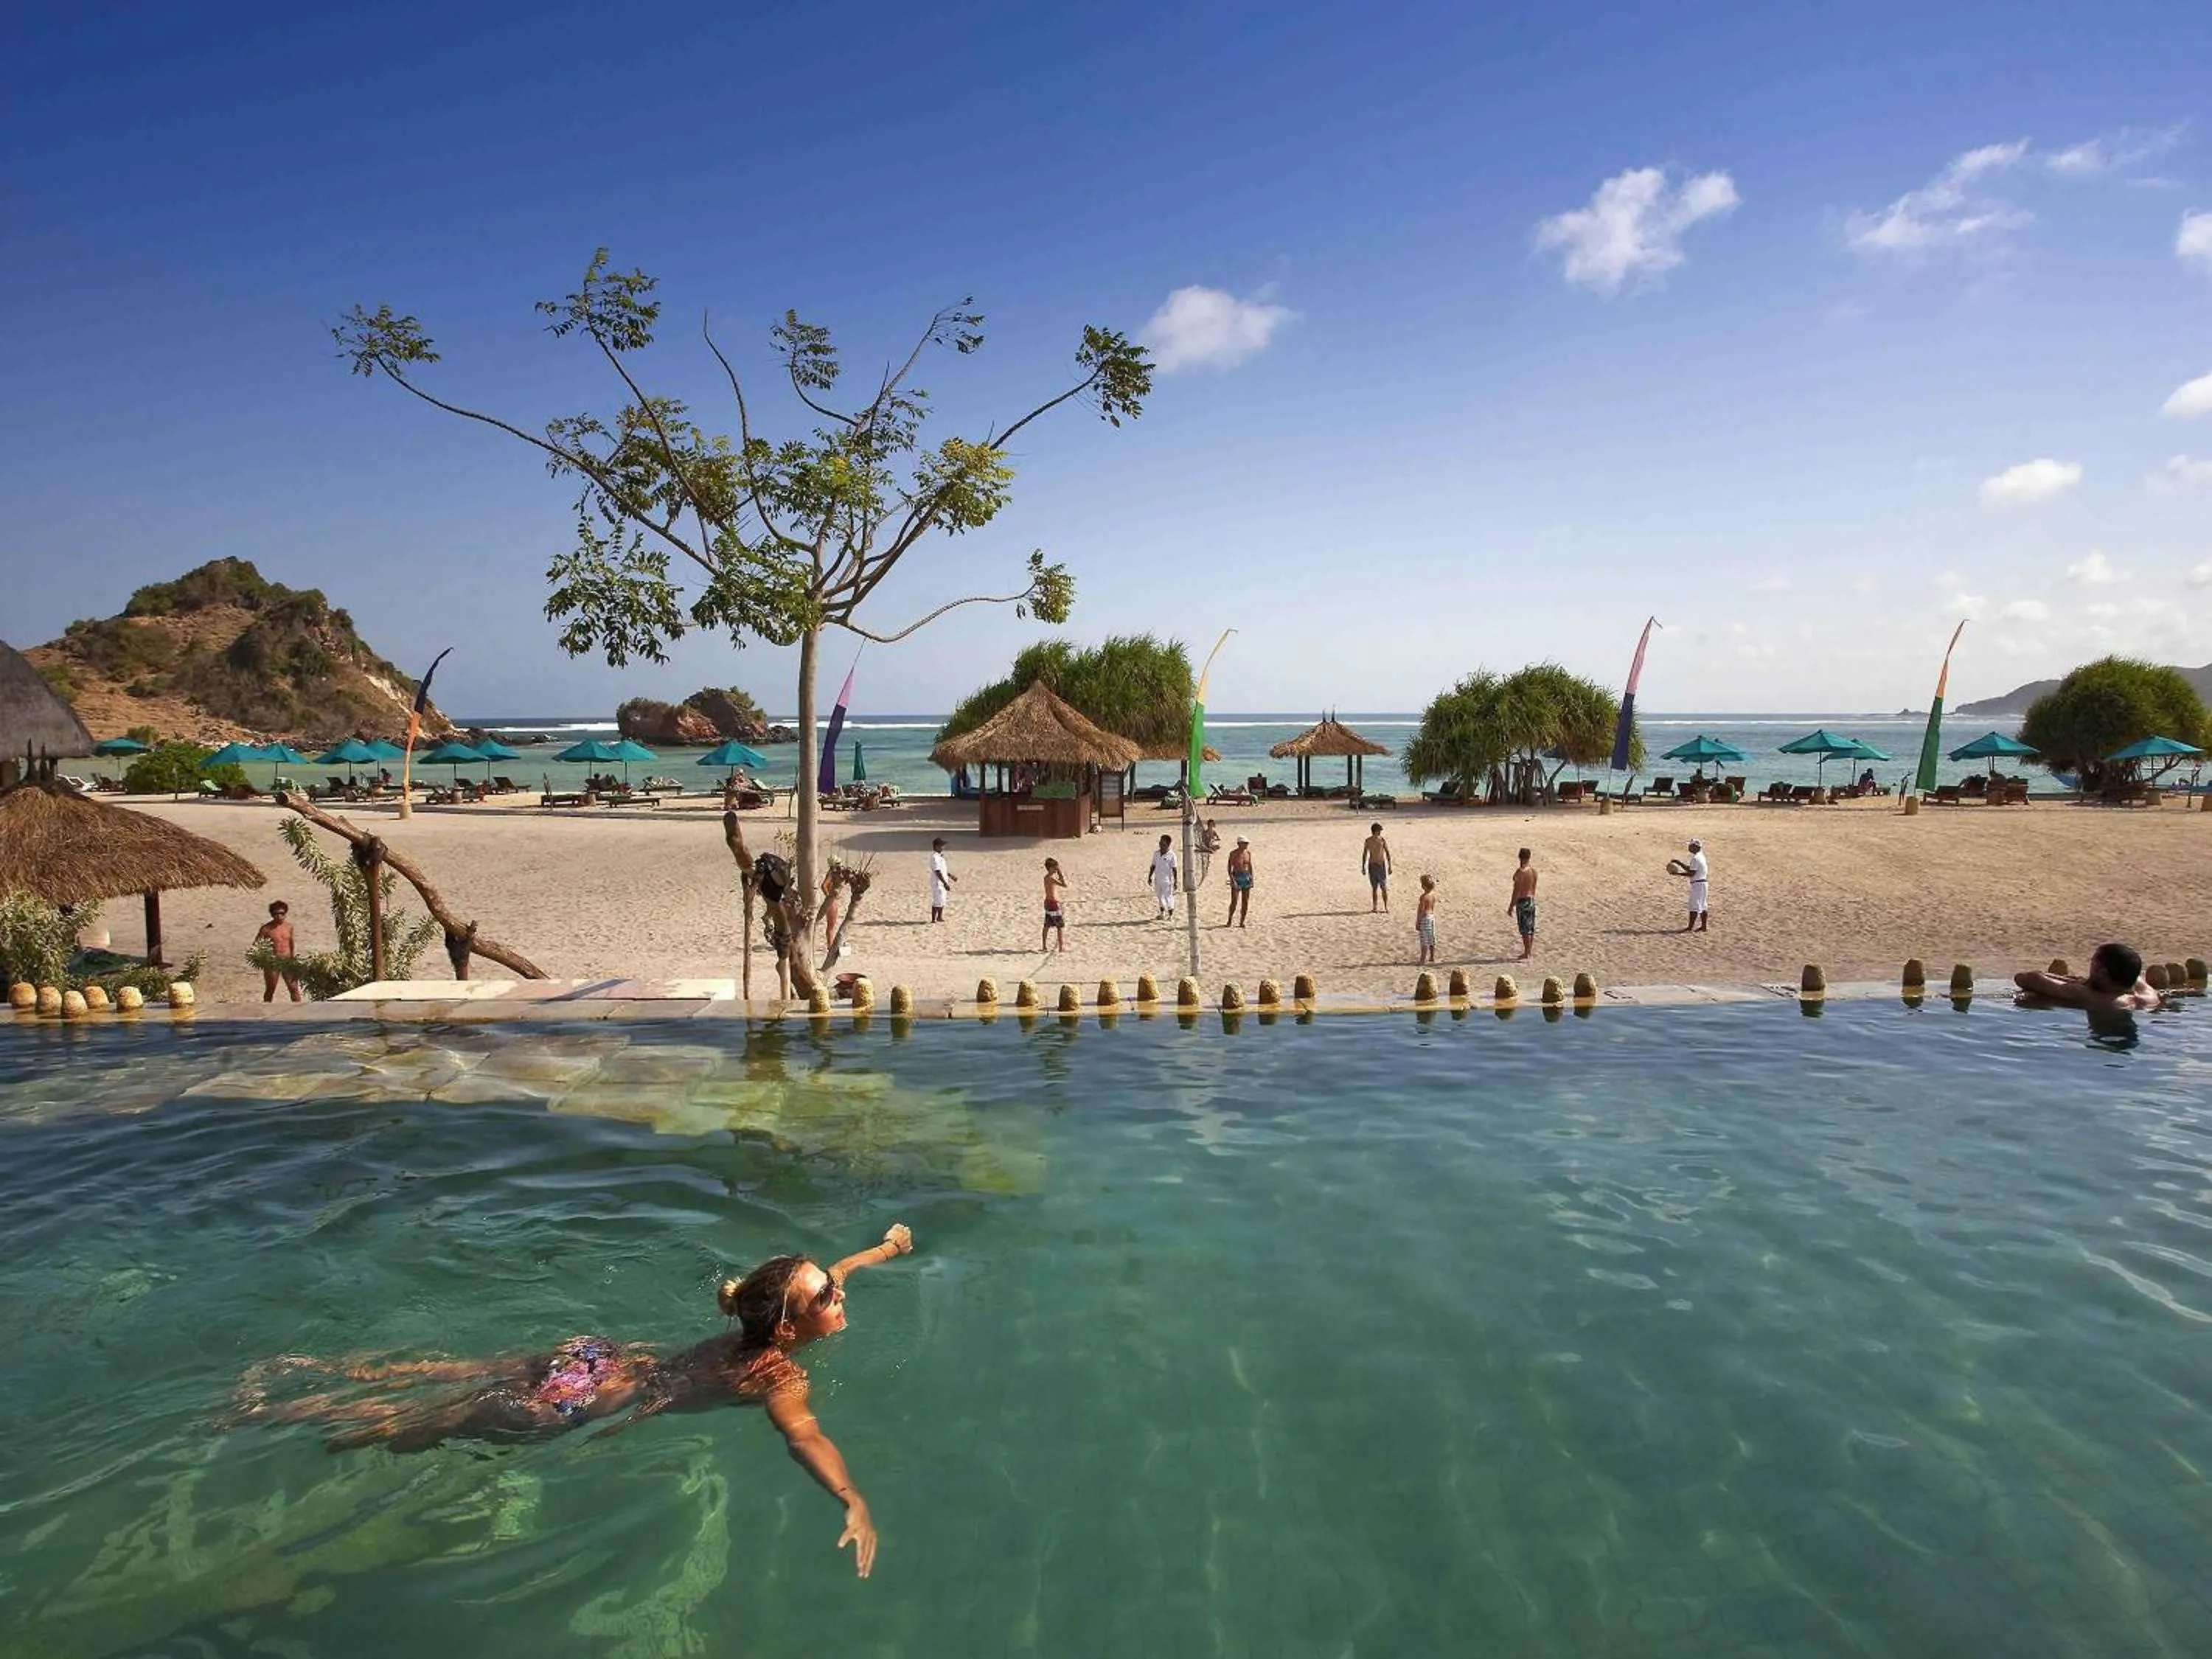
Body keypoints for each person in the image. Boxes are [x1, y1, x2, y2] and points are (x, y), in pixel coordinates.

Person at [233, 1225, 916, 1577]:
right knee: (416, 1426)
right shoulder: (777, 1373)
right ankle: (279, 1413)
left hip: (599, 1356)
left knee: (451, 1372)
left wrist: (885, 1248)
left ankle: (318, 1371)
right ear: (790, 1328)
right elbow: (804, 1438)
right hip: (581, 1402)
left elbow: (841, 1269)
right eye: (827, 1294)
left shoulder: (771, 1316)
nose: (839, 1290)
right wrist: (852, 1497)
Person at [2013, 943, 2163, 1012]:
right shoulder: (2149, 996)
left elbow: (2026, 979)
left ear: (2102, 972)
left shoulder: (2089, 996)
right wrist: (2087, 982)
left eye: (2092, 963)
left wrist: (2082, 984)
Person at [254, 901, 302, 1003]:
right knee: (271, 989)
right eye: (276, 914)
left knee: (294, 989)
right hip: (273, 962)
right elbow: (257, 945)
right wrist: (264, 959)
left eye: (282, 913)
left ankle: (298, 1012)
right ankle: (266, 1010)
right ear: (272, 915)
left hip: (287, 961)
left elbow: (291, 943)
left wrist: (293, 958)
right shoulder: (266, 929)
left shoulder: (289, 927)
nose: (279, 916)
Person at [1508, 847, 1538, 961]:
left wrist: (1511, 906)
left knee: (1524, 928)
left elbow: (1516, 890)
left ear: (1520, 857)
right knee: (1531, 927)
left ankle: (1527, 953)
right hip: (1531, 900)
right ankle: (1529, 951)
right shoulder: (1534, 872)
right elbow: (1534, 887)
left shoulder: (1520, 873)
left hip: (1522, 901)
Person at [1677, 839, 1709, 933]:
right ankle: (1704, 927)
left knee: (1694, 906)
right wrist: (1679, 863)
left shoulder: (1696, 858)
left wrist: (1678, 874)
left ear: (1696, 847)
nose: (1689, 848)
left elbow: (1691, 873)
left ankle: (1690, 927)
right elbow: (1691, 869)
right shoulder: (1701, 857)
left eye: (1691, 846)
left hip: (1697, 884)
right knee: (1703, 905)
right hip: (1703, 883)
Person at [1362, 823, 1393, 913]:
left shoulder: (1382, 840)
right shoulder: (1368, 841)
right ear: (1374, 831)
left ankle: (1386, 907)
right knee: (1374, 888)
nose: (1380, 833)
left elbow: (1387, 853)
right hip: (1372, 865)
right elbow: (1365, 854)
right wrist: (1363, 866)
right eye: (1379, 831)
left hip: (1381, 865)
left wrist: (1390, 866)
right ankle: (1375, 907)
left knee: (1384, 887)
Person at [1148, 834, 1180, 919]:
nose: (1161, 845)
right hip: (1157, 879)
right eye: (1160, 843)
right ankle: (1162, 913)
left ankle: (1170, 915)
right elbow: (1153, 866)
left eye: (1163, 843)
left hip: (1167, 881)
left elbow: (1174, 869)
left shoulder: (1172, 855)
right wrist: (1150, 876)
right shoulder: (1156, 854)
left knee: (1168, 897)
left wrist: (1176, 881)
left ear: (1168, 845)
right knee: (1160, 896)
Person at [1225, 835, 1254, 928]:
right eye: (1244, 843)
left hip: (1246, 877)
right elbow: (1229, 867)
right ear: (1239, 844)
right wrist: (1232, 879)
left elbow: (1250, 866)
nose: (1246, 845)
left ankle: (1242, 921)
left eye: (1247, 843)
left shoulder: (1248, 853)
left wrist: (1252, 878)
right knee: (1234, 901)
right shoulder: (1233, 854)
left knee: (1245, 901)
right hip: (1237, 876)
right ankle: (1230, 919)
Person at [1041, 857, 1068, 952]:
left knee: (1047, 925)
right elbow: (1065, 885)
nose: (1056, 869)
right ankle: (1061, 947)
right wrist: (1060, 874)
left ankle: (1044, 946)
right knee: (1060, 926)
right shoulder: (1051, 878)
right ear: (1051, 868)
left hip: (1048, 902)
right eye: (1055, 868)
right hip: (1053, 903)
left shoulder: (1046, 878)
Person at [928, 838, 954, 923]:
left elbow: (943, 870)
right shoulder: (934, 857)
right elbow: (937, 871)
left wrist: (951, 876)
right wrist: (945, 883)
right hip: (937, 882)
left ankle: (940, 917)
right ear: (936, 846)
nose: (943, 847)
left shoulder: (940, 857)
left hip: (942, 880)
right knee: (938, 899)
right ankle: (933, 919)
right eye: (942, 846)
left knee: (942, 899)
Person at [1415, 874, 1439, 964]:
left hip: (1425, 918)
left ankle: (1423, 959)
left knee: (1424, 939)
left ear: (1423, 886)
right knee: (1431, 937)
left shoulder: (1424, 897)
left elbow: (1421, 910)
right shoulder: (1433, 895)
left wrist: (1418, 921)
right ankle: (1432, 957)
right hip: (1432, 916)